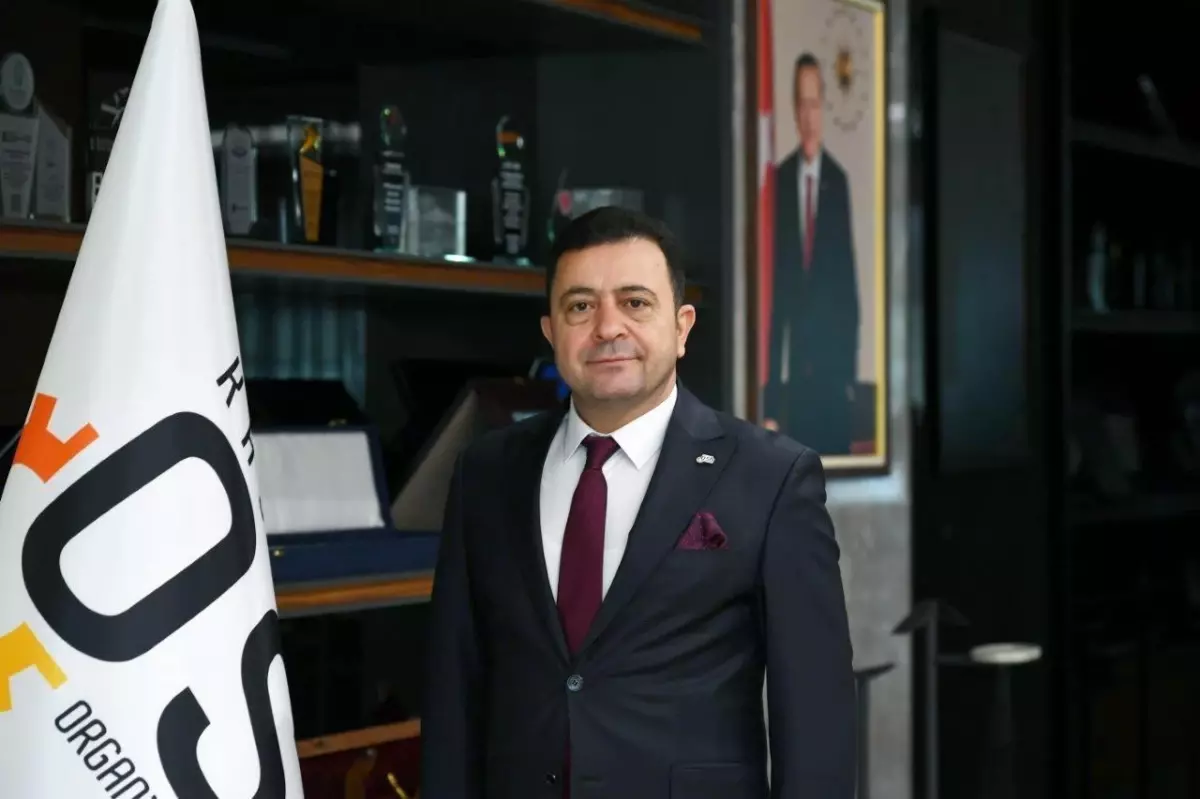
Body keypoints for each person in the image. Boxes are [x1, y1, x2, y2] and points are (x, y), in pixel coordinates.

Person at [422, 207, 855, 799]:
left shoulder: (771, 478)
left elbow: (817, 716)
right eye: (580, 306)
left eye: (635, 302)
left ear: (682, 327)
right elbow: (453, 688)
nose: (607, 327)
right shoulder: (486, 473)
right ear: (551, 331)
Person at [763, 52, 861, 455]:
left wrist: (849, 379)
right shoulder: (779, 181)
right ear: (793, 109)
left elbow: (848, 289)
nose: (808, 115)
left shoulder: (837, 181)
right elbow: (774, 298)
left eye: (815, 104)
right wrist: (770, 401)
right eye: (801, 105)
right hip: (794, 381)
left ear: (824, 106)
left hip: (833, 380)